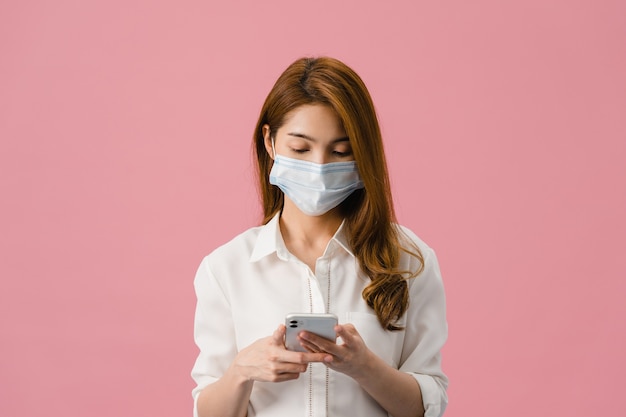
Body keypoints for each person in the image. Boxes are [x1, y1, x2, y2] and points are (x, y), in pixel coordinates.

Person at [191, 56, 448, 417]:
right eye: (300, 149)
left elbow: (427, 406)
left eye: (341, 151)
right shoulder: (226, 268)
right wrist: (242, 371)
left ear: (363, 153)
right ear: (269, 141)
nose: (319, 168)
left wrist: (365, 368)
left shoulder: (409, 260)